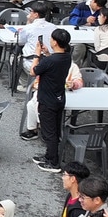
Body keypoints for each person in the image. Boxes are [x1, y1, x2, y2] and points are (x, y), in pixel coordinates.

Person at [31, 28, 72, 173]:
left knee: (49, 133)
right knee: (54, 129)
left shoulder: (50, 61)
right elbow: (52, 63)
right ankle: (49, 156)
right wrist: (47, 53)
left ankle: (54, 162)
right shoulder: (67, 57)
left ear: (55, 42)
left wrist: (37, 54)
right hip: (59, 98)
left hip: (47, 100)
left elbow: (33, 71)